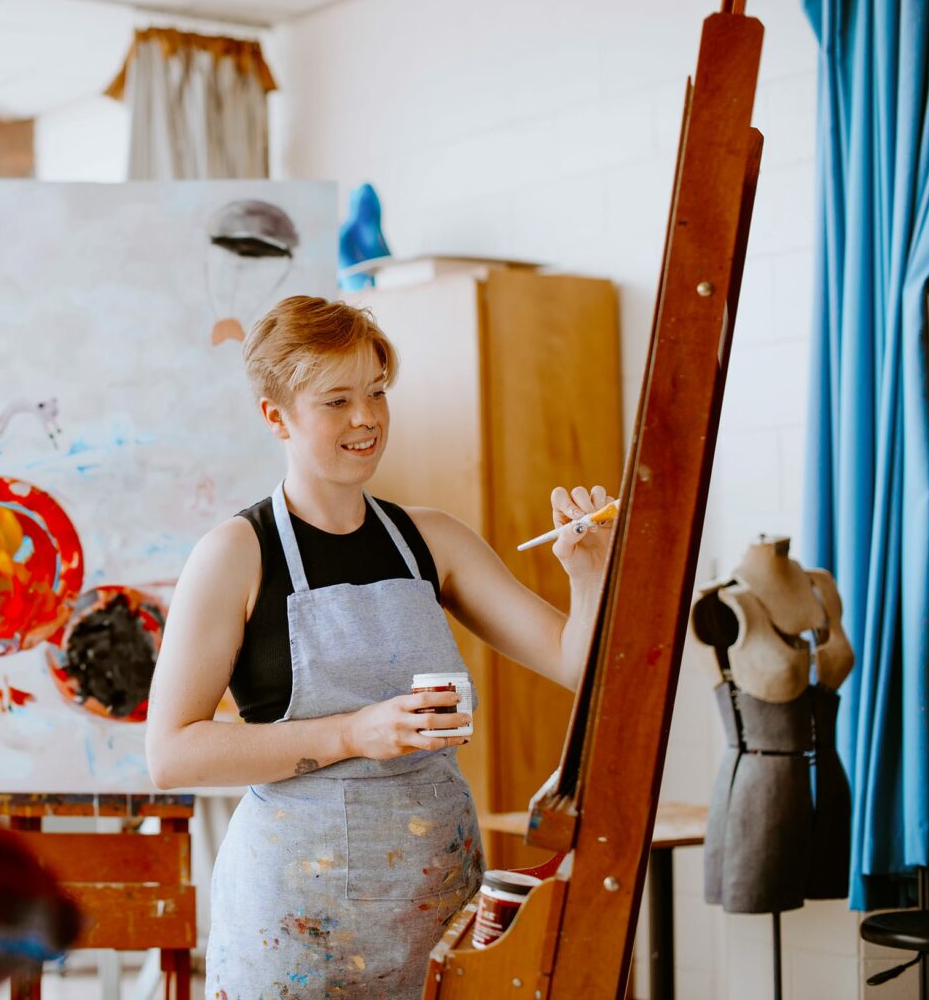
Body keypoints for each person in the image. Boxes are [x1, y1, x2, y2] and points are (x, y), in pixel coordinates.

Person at [145, 295, 612, 996]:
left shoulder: (432, 538)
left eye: (376, 391)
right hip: (296, 921)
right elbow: (171, 752)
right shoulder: (236, 555)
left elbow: (579, 664)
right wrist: (357, 731)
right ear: (276, 416)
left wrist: (590, 573)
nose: (366, 417)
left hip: (435, 908)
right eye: (336, 400)